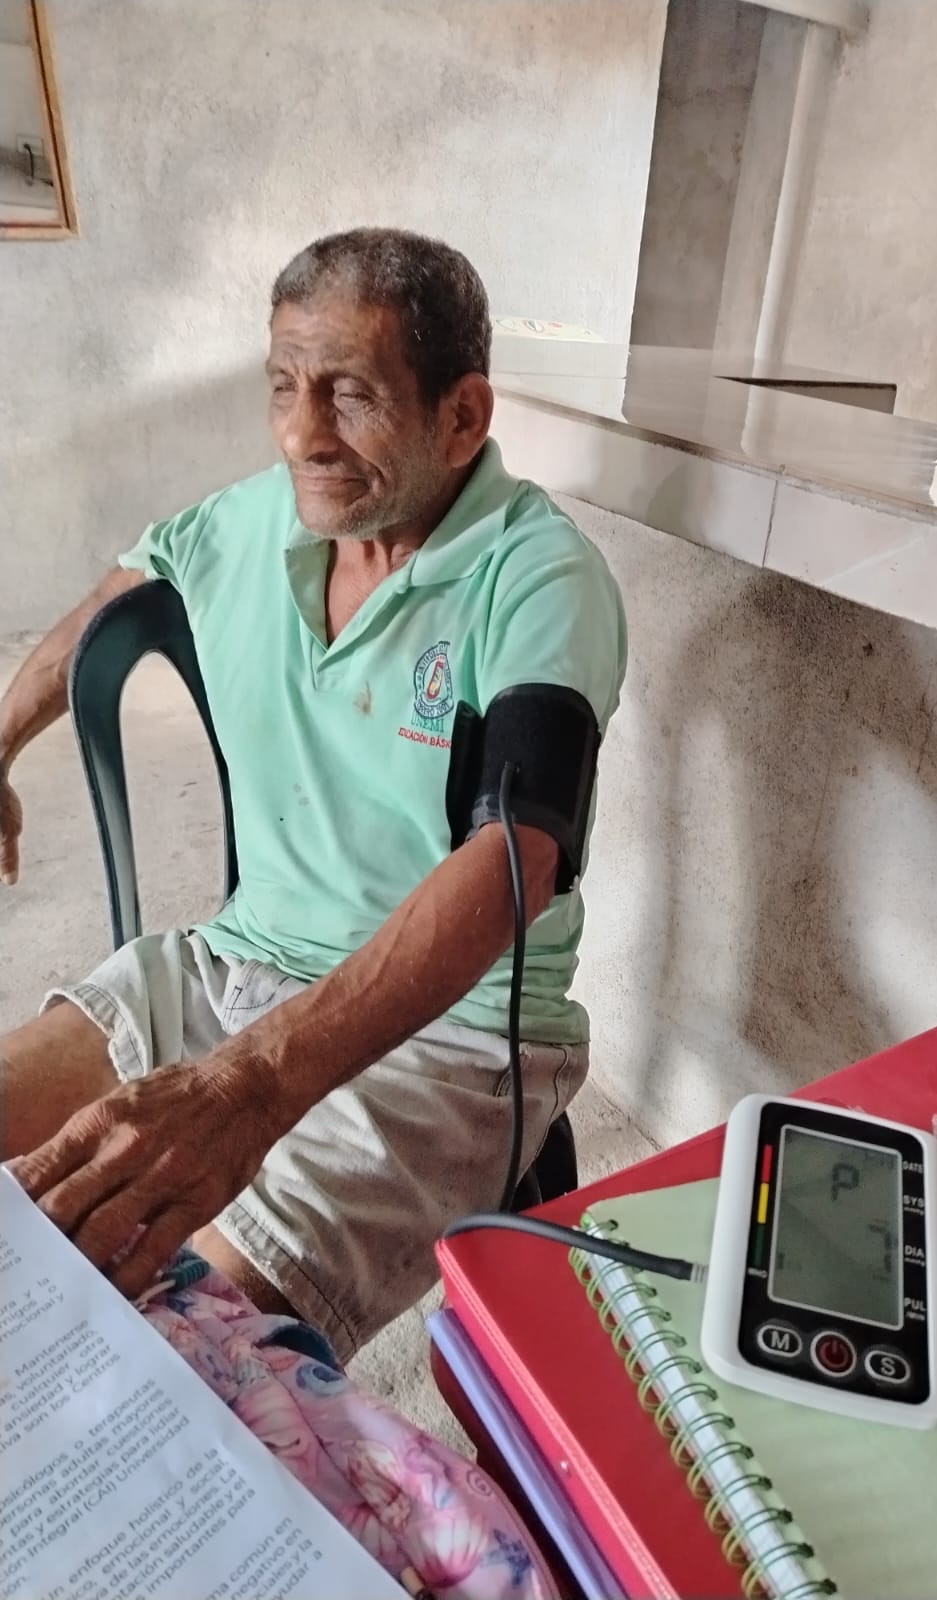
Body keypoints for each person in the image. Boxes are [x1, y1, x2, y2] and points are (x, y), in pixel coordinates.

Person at [0, 228, 626, 1363]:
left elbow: (519, 856)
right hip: (231, 964)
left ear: (462, 416)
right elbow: (111, 602)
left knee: (169, 1352)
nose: (301, 433)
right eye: (284, 385)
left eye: (351, 394)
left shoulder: (539, 577)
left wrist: (248, 1084)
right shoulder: (250, 521)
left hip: (453, 1034)